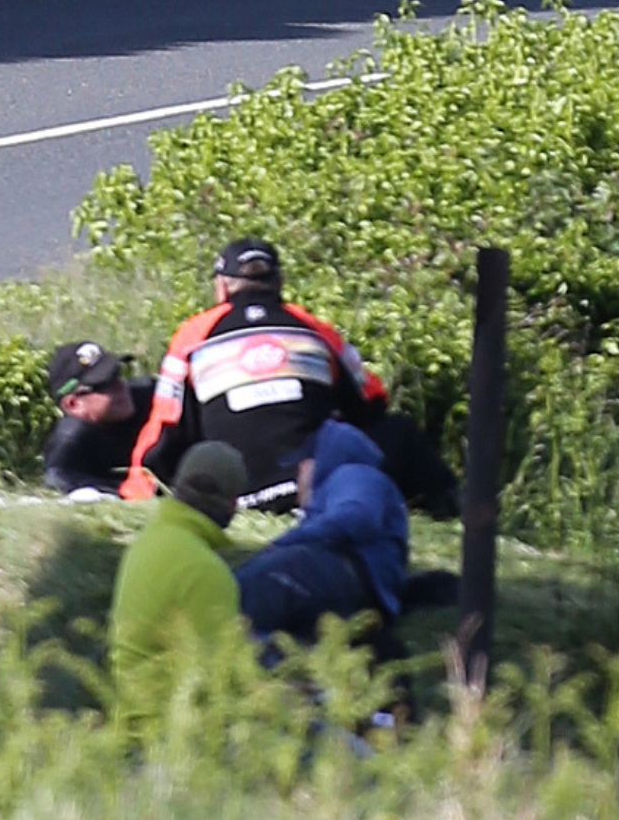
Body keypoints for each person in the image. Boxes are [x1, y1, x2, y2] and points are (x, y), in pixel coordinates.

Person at [120, 236, 389, 508]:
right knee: (397, 429)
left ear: (221, 287)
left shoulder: (192, 335)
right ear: (279, 282)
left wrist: (136, 490)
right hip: (313, 489)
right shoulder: (314, 328)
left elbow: (164, 426)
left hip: (235, 496)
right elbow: (372, 399)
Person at [228, 418, 408, 663]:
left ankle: (223, 644)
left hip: (351, 572)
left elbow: (356, 518)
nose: (298, 477)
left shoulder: (354, 474)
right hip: (347, 584)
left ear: (320, 460)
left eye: (302, 466)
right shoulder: (346, 484)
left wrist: (284, 543)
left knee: (265, 578)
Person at [109, 439, 249, 731]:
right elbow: (227, 682)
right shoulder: (204, 571)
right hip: (175, 740)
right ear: (232, 503)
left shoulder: (149, 542)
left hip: (132, 724)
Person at [40, 340, 152, 498]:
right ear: (73, 405)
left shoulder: (151, 397)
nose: (120, 386)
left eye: (117, 375)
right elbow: (58, 481)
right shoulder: (71, 439)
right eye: (104, 385)